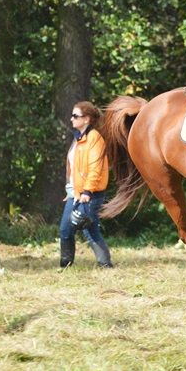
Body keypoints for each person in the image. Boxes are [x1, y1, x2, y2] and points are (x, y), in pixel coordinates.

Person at [58, 101, 112, 268]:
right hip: (76, 193)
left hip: (90, 194)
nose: (71, 119)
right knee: (66, 230)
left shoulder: (94, 138)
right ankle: (66, 265)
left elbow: (95, 168)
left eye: (75, 116)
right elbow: (73, 167)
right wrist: (70, 188)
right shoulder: (78, 139)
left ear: (87, 119)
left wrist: (87, 191)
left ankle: (105, 265)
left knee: (88, 229)